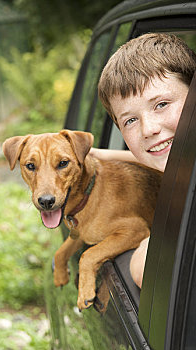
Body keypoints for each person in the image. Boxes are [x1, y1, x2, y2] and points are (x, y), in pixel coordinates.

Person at [92, 32, 196, 288]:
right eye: (130, 120)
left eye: (161, 104)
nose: (148, 129)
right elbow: (170, 158)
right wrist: (100, 155)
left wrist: (145, 247)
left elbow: (144, 271)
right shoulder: (184, 167)